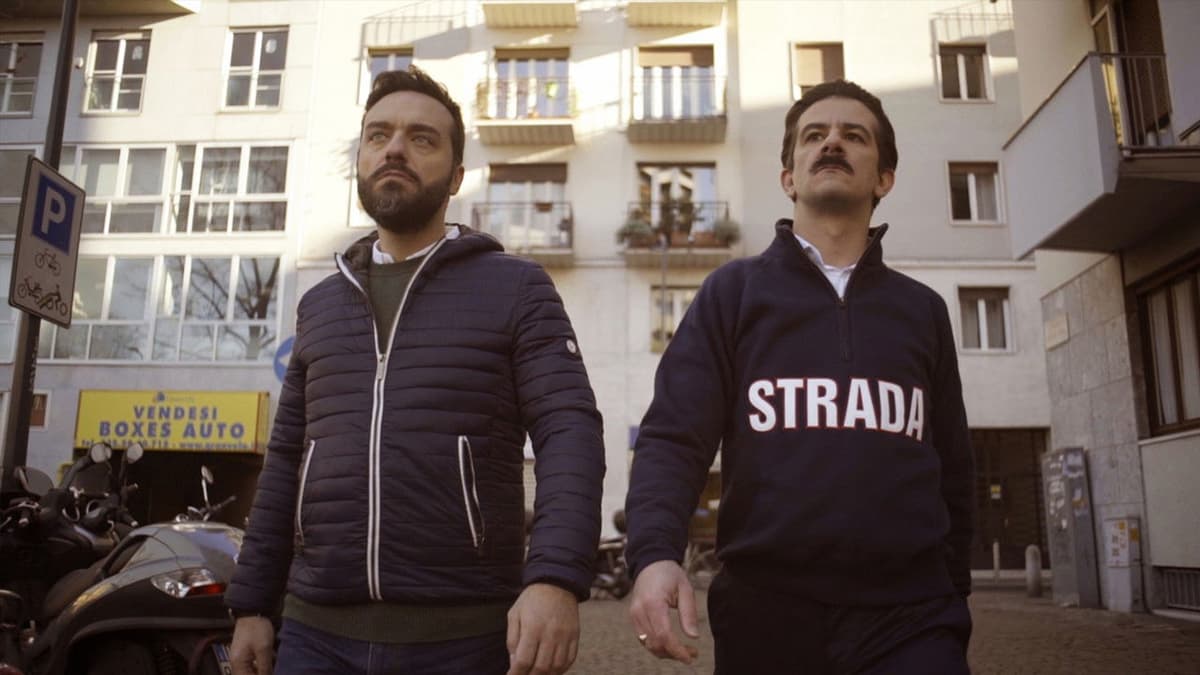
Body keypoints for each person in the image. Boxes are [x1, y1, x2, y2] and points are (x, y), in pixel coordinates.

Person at [226, 66, 606, 675]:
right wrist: (252, 604)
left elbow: (570, 432)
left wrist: (555, 578)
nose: (395, 148)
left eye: (421, 138)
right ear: (360, 158)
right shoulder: (320, 305)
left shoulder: (515, 288)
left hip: (463, 639)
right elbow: (287, 460)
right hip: (314, 637)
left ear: (456, 176)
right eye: (378, 135)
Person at [624, 79, 974, 674]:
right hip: (766, 611)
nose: (832, 142)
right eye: (815, 135)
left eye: (853, 135)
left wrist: (954, 592)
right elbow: (674, 437)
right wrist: (655, 555)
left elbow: (954, 467)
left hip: (911, 616)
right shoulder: (731, 294)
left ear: (884, 178)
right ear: (789, 178)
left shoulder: (923, 311)